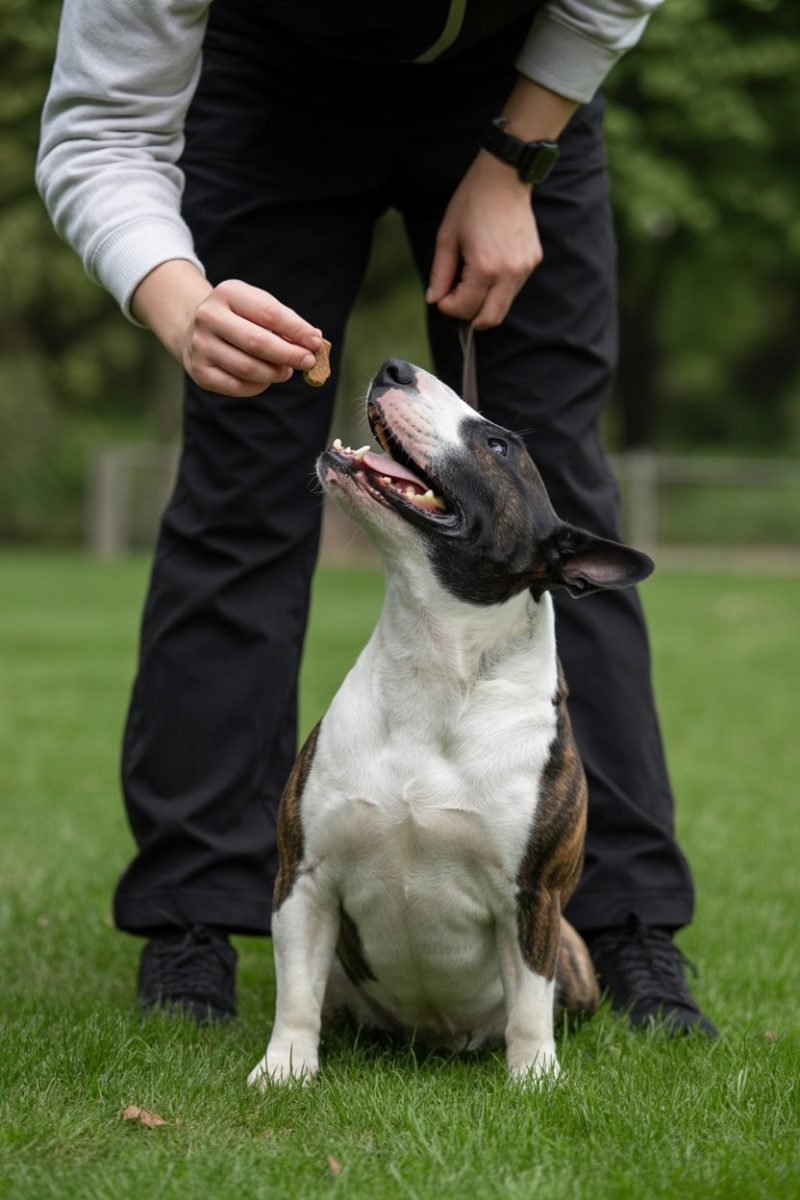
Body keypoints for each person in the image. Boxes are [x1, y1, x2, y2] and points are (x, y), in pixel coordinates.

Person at [37, 0, 716, 1036]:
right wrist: (183, 306)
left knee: (550, 512)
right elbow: (100, 131)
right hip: (273, 91)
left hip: (515, 76)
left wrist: (512, 156)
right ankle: (194, 918)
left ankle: (622, 920)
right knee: (240, 495)